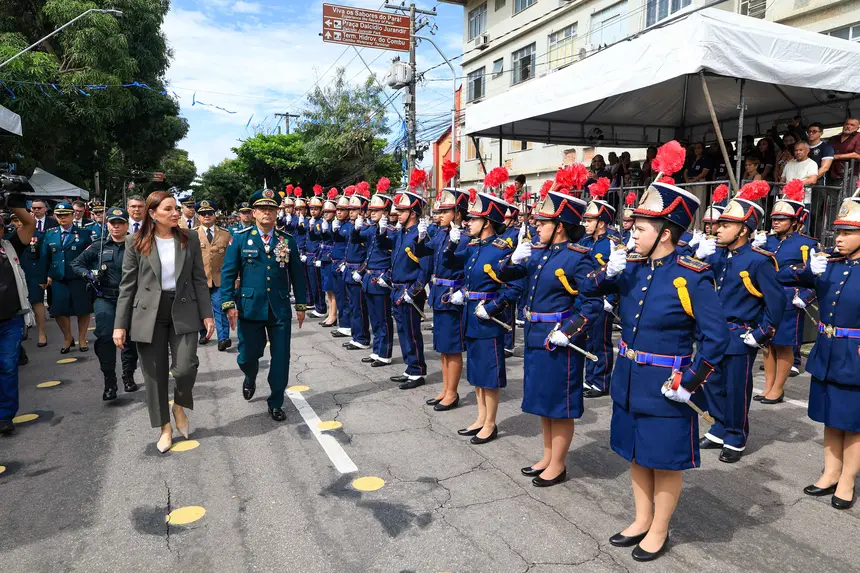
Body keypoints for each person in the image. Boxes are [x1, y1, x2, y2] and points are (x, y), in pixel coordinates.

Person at [587, 179, 729, 561]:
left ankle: (660, 528)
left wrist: (692, 381)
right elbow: (586, 291)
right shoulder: (630, 267)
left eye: (640, 228)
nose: (632, 234)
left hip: (667, 384)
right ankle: (641, 518)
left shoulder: (692, 274)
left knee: (663, 460)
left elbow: (717, 338)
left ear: (665, 234)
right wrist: (607, 274)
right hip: (630, 379)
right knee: (636, 452)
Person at [498, 186, 600, 486]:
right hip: (534, 335)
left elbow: (591, 304)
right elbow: (505, 276)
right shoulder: (537, 253)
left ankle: (558, 463)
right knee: (543, 402)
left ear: (560, 226)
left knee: (560, 405)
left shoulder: (579, 258)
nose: (536, 226)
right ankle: (547, 456)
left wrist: (568, 332)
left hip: (558, 340)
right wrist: (513, 260)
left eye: (543, 222)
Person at [777, 190, 860, 509]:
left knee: (852, 421)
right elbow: (782, 276)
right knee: (830, 416)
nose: (839, 238)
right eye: (838, 231)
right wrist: (811, 267)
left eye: (847, 232)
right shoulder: (831, 265)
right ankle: (830, 472)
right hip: (827, 350)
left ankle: (848, 479)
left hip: (854, 354)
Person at [114, 191, 215, 452]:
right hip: (148, 314)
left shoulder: (189, 238)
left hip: (183, 309)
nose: (175, 214)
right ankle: (164, 429)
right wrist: (120, 324)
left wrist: (207, 314)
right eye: (168, 209)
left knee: (185, 367)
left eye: (176, 209)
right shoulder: (135, 242)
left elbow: (199, 280)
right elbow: (127, 286)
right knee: (154, 376)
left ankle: (179, 405)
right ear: (152, 213)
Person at [695, 188, 786, 463]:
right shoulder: (714, 255)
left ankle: (735, 435)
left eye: (725, 224)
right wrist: (696, 257)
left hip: (738, 334)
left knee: (735, 390)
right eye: (718, 223)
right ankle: (719, 427)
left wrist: (761, 334)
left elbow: (777, 301)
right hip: (711, 333)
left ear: (744, 230)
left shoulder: (758, 261)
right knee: (710, 384)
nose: (717, 229)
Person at [220, 189, 307, 422]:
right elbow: (228, 273)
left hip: (278, 308)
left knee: (281, 358)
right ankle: (249, 375)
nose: (267, 213)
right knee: (248, 356)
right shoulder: (240, 238)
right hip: (250, 307)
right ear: (254, 212)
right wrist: (228, 303)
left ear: (277, 213)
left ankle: (276, 401)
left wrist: (300, 305)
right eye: (262, 209)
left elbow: (297, 274)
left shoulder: (287, 240)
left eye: (271, 209)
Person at [443, 190, 522, 445]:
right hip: (471, 314)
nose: (468, 223)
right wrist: (452, 243)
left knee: (489, 374)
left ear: (487, 222)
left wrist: (494, 307)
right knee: (476, 372)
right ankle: (480, 417)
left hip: (488, 319)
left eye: (474, 219)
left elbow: (515, 287)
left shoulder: (501, 249)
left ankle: (490, 422)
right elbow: (451, 263)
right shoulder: (475, 246)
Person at [753, 186, 817, 404]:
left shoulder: (807, 244)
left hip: (789, 297)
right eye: (775, 218)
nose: (776, 222)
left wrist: (806, 297)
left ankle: (778, 388)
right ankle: (768, 387)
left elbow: (815, 277)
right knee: (767, 345)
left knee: (783, 345)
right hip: (766, 298)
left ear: (796, 220)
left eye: (783, 218)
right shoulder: (767, 241)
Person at [70, 207, 140, 400]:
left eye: (120, 223)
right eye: (112, 223)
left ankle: (128, 374)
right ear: (107, 224)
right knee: (105, 337)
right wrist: (89, 274)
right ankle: (109, 379)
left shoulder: (136, 245)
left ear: (127, 225)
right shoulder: (99, 246)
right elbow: (77, 264)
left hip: (131, 298)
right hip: (105, 298)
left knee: (130, 339)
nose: (116, 227)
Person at [413, 188, 469, 410]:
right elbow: (422, 251)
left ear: (457, 214)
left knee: (452, 347)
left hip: (451, 296)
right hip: (439, 295)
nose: (439, 215)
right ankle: (446, 388)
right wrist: (420, 235)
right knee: (443, 348)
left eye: (445, 211)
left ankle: (452, 393)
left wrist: (461, 293)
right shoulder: (440, 234)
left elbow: (468, 270)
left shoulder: (463, 238)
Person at [381, 188, 431, 389]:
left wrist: (413, 292)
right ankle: (410, 367)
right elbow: (388, 250)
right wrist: (381, 231)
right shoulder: (402, 233)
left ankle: (418, 371)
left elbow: (425, 270)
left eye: (402, 211)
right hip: (397, 288)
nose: (397, 214)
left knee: (411, 332)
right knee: (402, 332)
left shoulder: (420, 236)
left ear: (413, 213)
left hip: (410, 290)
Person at [0, 193, 37, 436]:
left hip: (11, 319)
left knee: (8, 366)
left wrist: (13, 203)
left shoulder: (10, 245)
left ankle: (5, 416)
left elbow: (30, 224)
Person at [580, 190, 619, 398]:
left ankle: (601, 381)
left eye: (590, 220)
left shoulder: (612, 242)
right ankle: (589, 378)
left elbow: (619, 274)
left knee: (600, 341)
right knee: (588, 340)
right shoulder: (585, 242)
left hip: (603, 300)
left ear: (601, 222)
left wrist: (611, 300)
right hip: (587, 299)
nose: (585, 224)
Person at [40, 202, 93, 353]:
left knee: (82, 308)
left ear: (72, 215)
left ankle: (82, 337)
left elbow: (91, 255)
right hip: (58, 278)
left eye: (65, 215)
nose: (62, 218)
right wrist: (44, 277)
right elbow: (45, 257)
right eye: (59, 215)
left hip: (78, 277)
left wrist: (91, 273)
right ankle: (67, 338)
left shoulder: (83, 233)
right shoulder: (50, 234)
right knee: (59, 310)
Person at [194, 200, 232, 351]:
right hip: (199, 279)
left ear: (215, 215)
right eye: (203, 214)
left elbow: (230, 259)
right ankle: (204, 333)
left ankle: (223, 338)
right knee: (200, 309)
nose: (207, 216)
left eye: (210, 213)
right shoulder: (192, 234)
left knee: (221, 308)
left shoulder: (225, 234)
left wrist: (235, 278)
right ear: (199, 217)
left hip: (219, 279)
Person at [341, 185, 372, 351]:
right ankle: (356, 336)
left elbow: (370, 254)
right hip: (348, 271)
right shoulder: (354, 227)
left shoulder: (366, 229)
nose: (350, 212)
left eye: (354, 209)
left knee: (359, 308)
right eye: (350, 209)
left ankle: (362, 337)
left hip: (358, 271)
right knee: (353, 306)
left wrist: (361, 271)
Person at [328, 191, 352, 338]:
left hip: (343, 264)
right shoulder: (340, 225)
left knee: (345, 297)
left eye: (342, 210)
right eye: (338, 209)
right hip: (335, 264)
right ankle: (343, 324)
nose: (339, 212)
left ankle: (347, 325)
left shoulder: (349, 226)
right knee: (339, 295)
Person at [315, 190, 338, 327]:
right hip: (324, 257)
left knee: (332, 289)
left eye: (329, 211)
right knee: (327, 289)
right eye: (324, 212)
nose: (326, 214)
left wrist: (329, 230)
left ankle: (333, 315)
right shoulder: (325, 223)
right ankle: (330, 313)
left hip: (330, 258)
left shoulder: (335, 225)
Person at [302, 189, 327, 318]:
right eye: (311, 208)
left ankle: (321, 307)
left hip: (316, 255)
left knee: (317, 283)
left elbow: (319, 237)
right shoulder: (310, 220)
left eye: (316, 209)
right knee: (311, 282)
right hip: (309, 254)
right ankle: (316, 305)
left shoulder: (321, 222)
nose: (313, 211)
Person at [828, 117, 860, 184]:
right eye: (847, 124)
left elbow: (858, 155)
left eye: (852, 125)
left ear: (858, 128)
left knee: (848, 194)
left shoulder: (858, 137)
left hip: (850, 175)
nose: (848, 126)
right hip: (831, 173)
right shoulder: (833, 138)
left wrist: (836, 157)